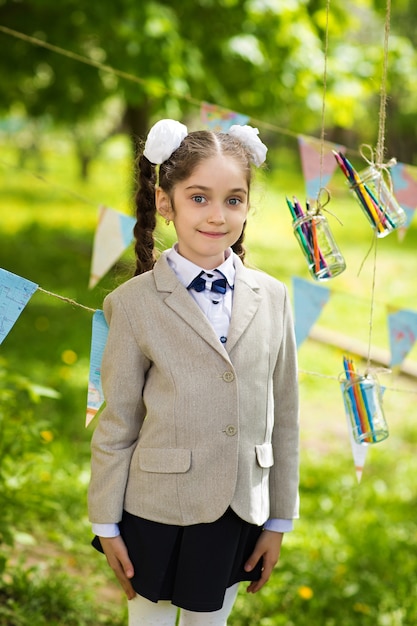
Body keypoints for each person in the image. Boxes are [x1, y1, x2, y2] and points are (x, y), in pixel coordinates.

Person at [88, 119, 299, 626]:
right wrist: (106, 523)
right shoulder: (132, 304)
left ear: (248, 206)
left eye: (234, 199)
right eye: (199, 198)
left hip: (237, 509)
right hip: (154, 510)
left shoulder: (273, 297)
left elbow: (286, 416)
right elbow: (117, 423)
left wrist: (279, 519)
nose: (217, 215)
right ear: (166, 202)